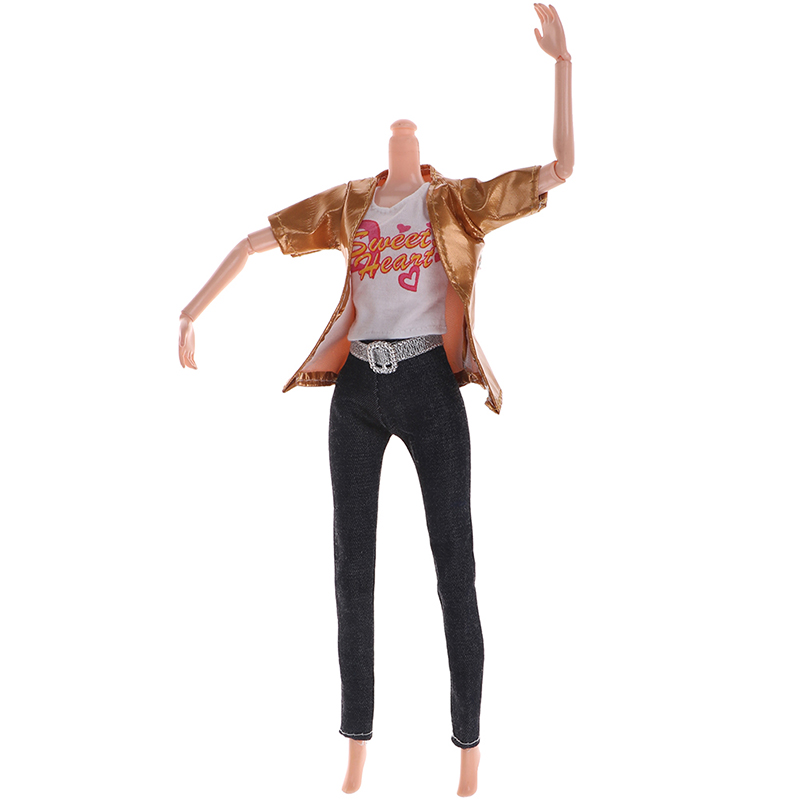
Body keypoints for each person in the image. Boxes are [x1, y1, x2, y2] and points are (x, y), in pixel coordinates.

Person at [178, 5, 573, 794]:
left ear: (421, 149)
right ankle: (356, 748)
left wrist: (565, 66)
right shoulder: (351, 204)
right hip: (357, 390)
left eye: (411, 135)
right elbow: (258, 241)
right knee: (350, 569)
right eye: (394, 134)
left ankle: (468, 751)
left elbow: (560, 170)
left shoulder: (455, 202)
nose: (402, 137)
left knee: (453, 566)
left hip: (429, 387)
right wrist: (192, 310)